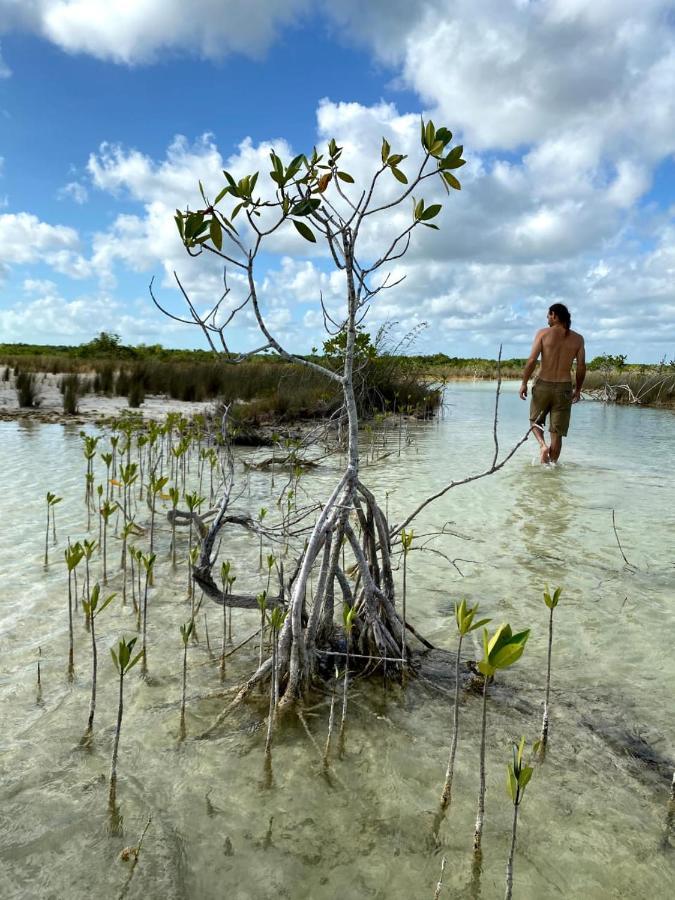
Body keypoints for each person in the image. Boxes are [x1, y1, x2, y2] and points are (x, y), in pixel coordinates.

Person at [519, 303, 586, 464]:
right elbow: (581, 366)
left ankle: (542, 446)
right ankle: (551, 468)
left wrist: (524, 383)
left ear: (554, 315)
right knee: (557, 432)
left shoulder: (542, 334)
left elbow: (531, 360)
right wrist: (577, 389)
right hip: (564, 387)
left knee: (535, 421)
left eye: (548, 315)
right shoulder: (578, 339)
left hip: (543, 384)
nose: (547, 318)